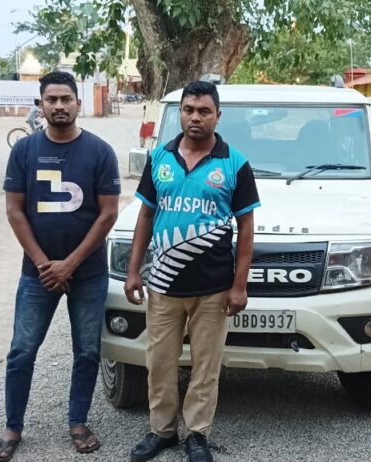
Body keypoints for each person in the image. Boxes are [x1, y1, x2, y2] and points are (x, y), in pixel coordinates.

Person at [0, 71, 121, 461]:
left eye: (66, 99)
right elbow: (14, 211)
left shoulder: (100, 152)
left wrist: (70, 264)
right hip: (38, 275)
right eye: (51, 99)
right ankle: (13, 427)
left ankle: (78, 422)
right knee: (22, 351)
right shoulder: (24, 150)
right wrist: (46, 264)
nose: (59, 106)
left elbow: (108, 214)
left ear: (78, 103)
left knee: (87, 352)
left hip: (88, 274)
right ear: (41, 105)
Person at [124, 80, 260, 462]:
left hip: (213, 288)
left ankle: (197, 434)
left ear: (218, 116)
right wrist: (134, 271)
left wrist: (239, 286)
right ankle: (162, 431)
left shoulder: (235, 164)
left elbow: (246, 228)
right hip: (163, 285)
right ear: (180, 113)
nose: (195, 117)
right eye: (188, 110)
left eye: (203, 111)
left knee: (205, 366)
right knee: (159, 362)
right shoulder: (160, 158)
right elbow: (145, 216)